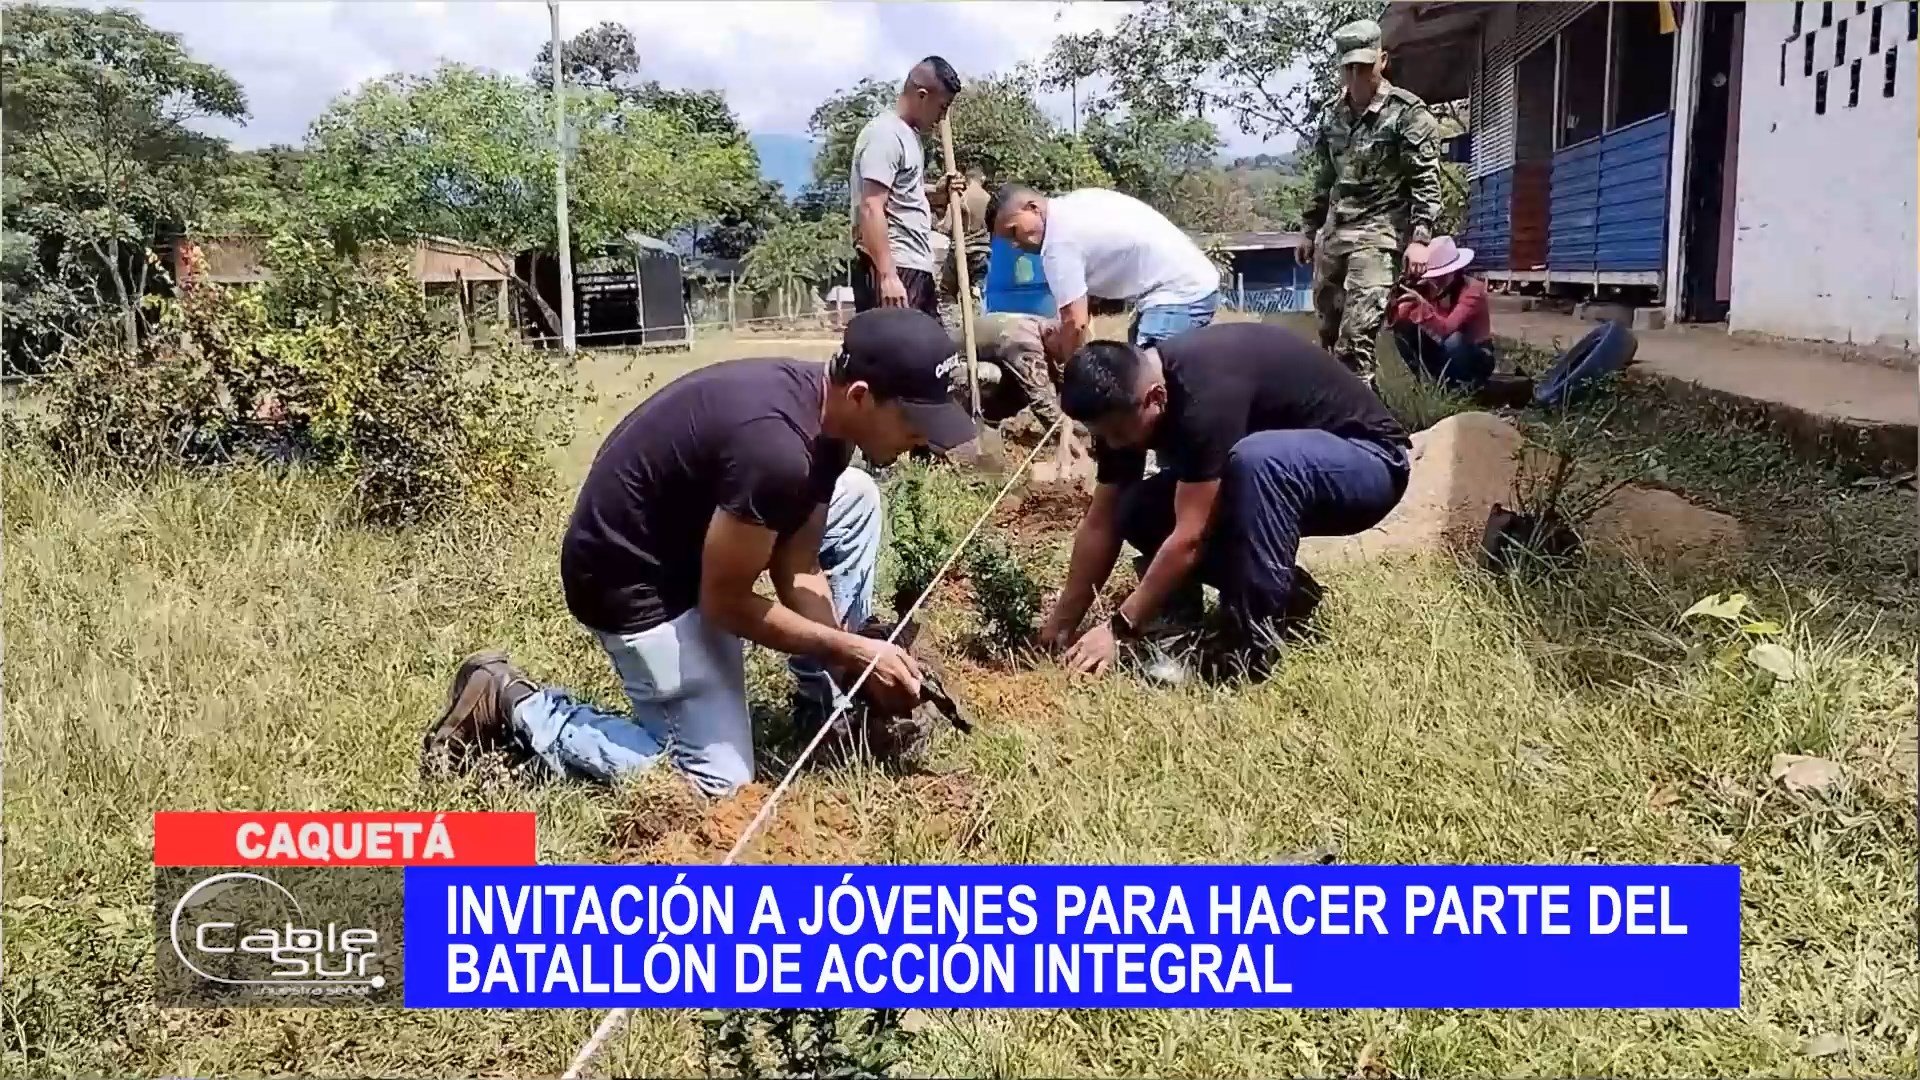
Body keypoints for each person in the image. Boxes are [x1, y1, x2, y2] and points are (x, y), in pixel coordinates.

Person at [423, 309, 977, 798]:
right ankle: (514, 704)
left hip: (696, 538)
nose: (923, 440)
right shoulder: (777, 451)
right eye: (914, 423)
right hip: (631, 579)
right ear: (860, 395)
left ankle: (827, 706)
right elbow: (725, 602)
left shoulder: (828, 418)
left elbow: (798, 565)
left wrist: (846, 662)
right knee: (716, 784)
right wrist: (853, 649)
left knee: (856, 498)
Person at [1041, 321, 1411, 682]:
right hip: (1287, 473)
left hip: (1371, 464)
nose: (1115, 444)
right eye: (1104, 435)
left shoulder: (1204, 393)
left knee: (1258, 461)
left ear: (1155, 398)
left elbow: (1191, 537)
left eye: (1119, 433)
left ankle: (1250, 647)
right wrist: (1061, 625)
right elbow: (1102, 522)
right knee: (1136, 507)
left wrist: (1120, 627)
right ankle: (1255, 604)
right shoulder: (1125, 403)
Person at [1299, 18, 1444, 390]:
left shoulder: (1408, 113)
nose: (1356, 75)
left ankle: (1362, 418)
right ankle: (1339, 406)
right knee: (1328, 334)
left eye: (1364, 66)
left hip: (1380, 232)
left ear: (1382, 60)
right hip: (1337, 233)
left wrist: (1420, 238)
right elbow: (1323, 177)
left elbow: (1425, 180)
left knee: (1356, 336)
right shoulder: (1331, 114)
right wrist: (1309, 229)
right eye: (1348, 67)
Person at [986, 184, 1220, 366]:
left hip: (1181, 292)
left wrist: (1067, 368)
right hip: (1187, 280)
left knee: (1151, 373)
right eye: (1008, 240)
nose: (1015, 245)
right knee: (1136, 366)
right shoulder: (1073, 204)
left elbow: (1076, 324)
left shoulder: (1058, 243)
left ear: (1032, 208)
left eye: (1013, 231)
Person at [850, 57, 967, 317]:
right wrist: (888, 275)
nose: (942, 118)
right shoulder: (886, 134)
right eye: (942, 107)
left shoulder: (909, 137)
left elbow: (900, 195)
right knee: (899, 344)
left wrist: (938, 192)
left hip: (914, 268)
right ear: (922, 95)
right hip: (896, 268)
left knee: (931, 343)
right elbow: (871, 206)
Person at [1388, 235, 1495, 391]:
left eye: (1442, 276)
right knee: (1403, 329)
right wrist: (1401, 301)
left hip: (1476, 354)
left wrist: (1423, 306)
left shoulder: (1472, 290)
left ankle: (1461, 385)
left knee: (1454, 340)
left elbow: (1447, 328)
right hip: (1445, 349)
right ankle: (1427, 382)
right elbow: (1399, 320)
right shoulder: (1430, 288)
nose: (1437, 281)